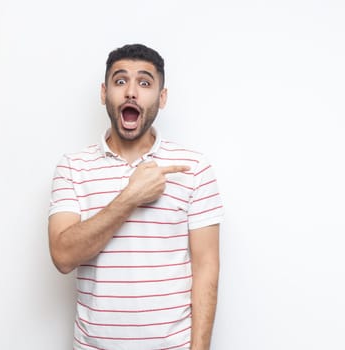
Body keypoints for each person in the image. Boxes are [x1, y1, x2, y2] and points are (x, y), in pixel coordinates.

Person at [48, 43, 224, 350]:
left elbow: (206, 267)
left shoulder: (193, 168)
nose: (131, 92)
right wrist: (130, 196)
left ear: (162, 97)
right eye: (120, 81)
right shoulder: (72, 167)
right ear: (104, 93)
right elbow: (63, 256)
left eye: (145, 83)